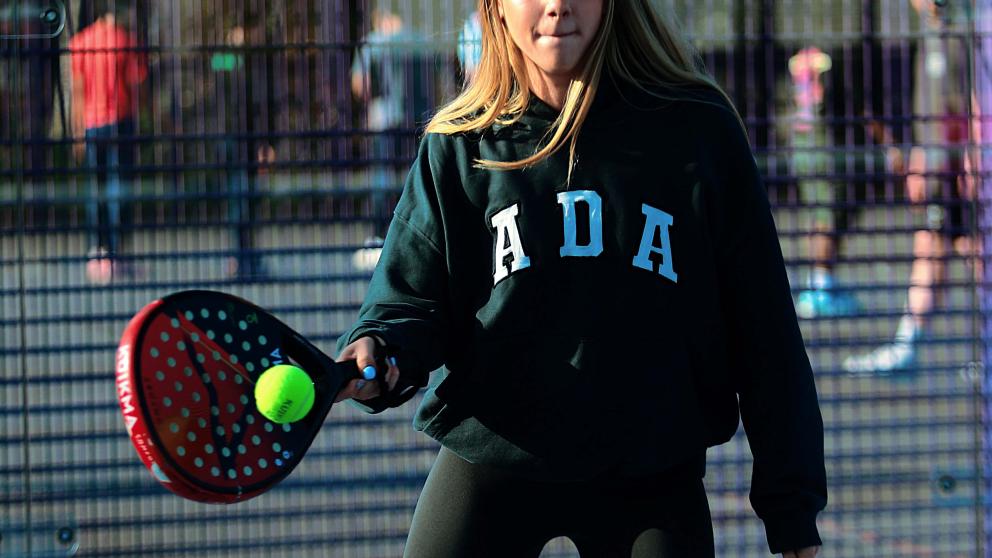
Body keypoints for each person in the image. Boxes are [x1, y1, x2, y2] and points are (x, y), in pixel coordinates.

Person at [335, 1, 826, 556]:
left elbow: (764, 328)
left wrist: (793, 504)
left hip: (650, 471)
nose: (556, 5)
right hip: (494, 453)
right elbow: (408, 301)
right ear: (495, 8)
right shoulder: (461, 141)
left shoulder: (695, 130)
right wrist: (382, 350)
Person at [844, 0, 980, 375]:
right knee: (936, 247)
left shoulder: (957, 35)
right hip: (942, 168)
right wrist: (923, 154)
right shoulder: (935, 32)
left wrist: (965, 159)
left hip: (954, 170)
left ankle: (908, 347)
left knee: (961, 250)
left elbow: (967, 105)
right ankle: (908, 346)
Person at [69, 0, 147, 284]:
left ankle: (98, 252)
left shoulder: (81, 42)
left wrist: (77, 131)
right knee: (118, 189)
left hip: (92, 124)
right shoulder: (126, 40)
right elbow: (137, 86)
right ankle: (116, 253)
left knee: (97, 189)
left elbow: (77, 93)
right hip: (120, 121)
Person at [350, 10, 432, 271]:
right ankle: (413, 240)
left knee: (381, 180)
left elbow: (361, 85)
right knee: (412, 181)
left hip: (384, 119)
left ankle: (379, 238)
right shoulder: (419, 42)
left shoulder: (373, 44)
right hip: (415, 121)